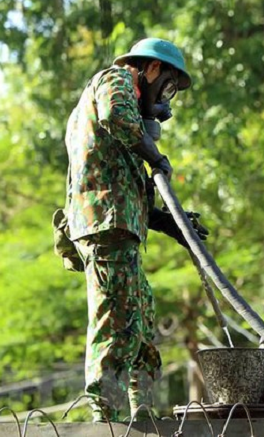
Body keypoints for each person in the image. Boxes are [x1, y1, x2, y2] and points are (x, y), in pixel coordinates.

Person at [63, 38, 208, 422]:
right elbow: (117, 116)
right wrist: (156, 155)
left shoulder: (126, 134)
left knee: (141, 323)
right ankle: (105, 414)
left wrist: (174, 224)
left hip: (122, 226)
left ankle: (143, 412)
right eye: (169, 87)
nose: (166, 99)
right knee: (116, 321)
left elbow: (141, 199)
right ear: (153, 69)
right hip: (105, 225)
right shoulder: (117, 80)